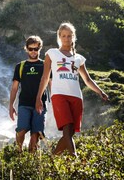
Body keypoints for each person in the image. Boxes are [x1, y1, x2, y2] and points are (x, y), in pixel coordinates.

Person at [35, 22, 109, 157]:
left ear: (73, 37)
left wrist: (100, 91)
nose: (66, 38)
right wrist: (39, 97)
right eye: (63, 36)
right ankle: (74, 156)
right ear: (59, 37)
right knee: (67, 126)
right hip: (59, 95)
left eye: (69, 36)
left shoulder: (79, 58)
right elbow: (45, 77)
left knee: (70, 133)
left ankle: (53, 157)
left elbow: (87, 80)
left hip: (76, 96)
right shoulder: (52, 53)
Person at [9, 35, 50, 152]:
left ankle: (31, 162)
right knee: (21, 130)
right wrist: (11, 106)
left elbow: (51, 85)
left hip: (40, 105)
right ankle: (18, 154)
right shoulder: (20, 66)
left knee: (35, 135)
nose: (33, 52)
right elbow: (14, 88)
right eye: (30, 49)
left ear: (40, 49)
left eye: (36, 49)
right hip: (24, 104)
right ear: (26, 48)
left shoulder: (45, 65)